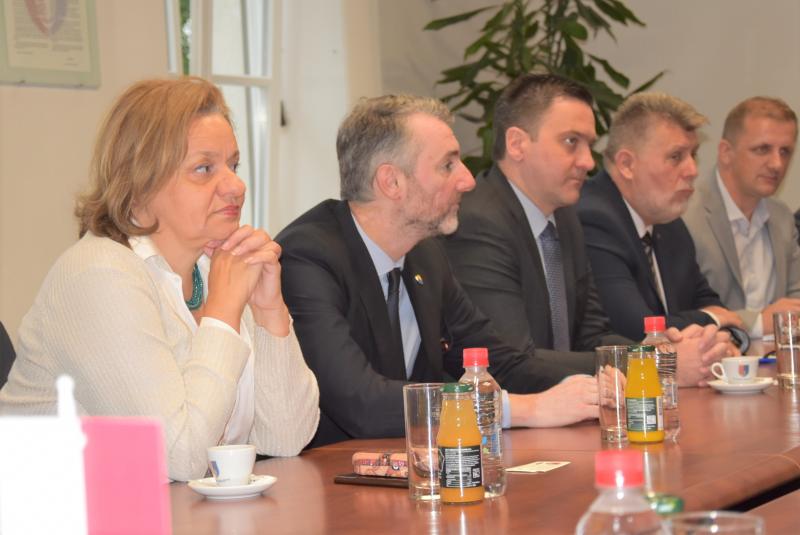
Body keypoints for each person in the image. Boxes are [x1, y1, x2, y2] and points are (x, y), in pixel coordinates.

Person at [0, 78, 319, 481]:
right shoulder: (99, 274)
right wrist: (223, 312)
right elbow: (178, 457)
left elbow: (286, 437)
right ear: (141, 185)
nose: (236, 186)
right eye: (204, 169)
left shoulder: (213, 268)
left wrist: (269, 310)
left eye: (233, 166)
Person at [277, 94, 599, 447]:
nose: (468, 180)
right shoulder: (308, 257)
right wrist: (523, 409)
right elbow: (362, 403)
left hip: (416, 464)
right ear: (391, 182)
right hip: (326, 472)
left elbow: (502, 364)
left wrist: (600, 383)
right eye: (448, 165)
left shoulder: (425, 254)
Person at [445, 75, 727, 387]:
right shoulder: (479, 222)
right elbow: (511, 361)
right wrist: (657, 365)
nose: (588, 162)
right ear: (517, 144)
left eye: (589, 145)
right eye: (571, 142)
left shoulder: (565, 217)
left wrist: (657, 349)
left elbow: (591, 336)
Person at [577, 92, 744, 341]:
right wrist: (714, 320)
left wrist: (721, 336)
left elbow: (710, 303)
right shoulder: (593, 219)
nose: (693, 170)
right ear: (627, 165)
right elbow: (638, 328)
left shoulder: (671, 225)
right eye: (676, 156)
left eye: (693, 154)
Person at [683, 97, 800, 337]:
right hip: (713, 356)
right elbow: (682, 311)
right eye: (762, 149)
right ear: (726, 152)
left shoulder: (782, 218)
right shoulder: (686, 215)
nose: (777, 164)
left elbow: (795, 302)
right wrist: (756, 322)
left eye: (785, 151)